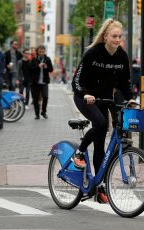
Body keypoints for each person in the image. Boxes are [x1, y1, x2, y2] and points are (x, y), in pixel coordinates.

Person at [72, 18, 135, 203]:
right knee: (100, 124)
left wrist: (131, 97)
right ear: (106, 36)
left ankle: (98, 187)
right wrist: (84, 93)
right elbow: (77, 80)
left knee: (102, 142)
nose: (117, 39)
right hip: (85, 98)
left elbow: (124, 83)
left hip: (105, 100)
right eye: (114, 36)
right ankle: (79, 152)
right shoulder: (93, 53)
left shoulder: (121, 56)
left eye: (119, 37)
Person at [30, 45, 53, 119]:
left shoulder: (47, 59)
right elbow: (31, 69)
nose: (41, 53)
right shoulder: (34, 59)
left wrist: (46, 67)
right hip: (35, 83)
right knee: (35, 99)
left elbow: (51, 69)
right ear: (37, 51)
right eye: (40, 51)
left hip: (44, 82)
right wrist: (38, 66)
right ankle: (37, 114)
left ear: (44, 51)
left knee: (45, 97)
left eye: (43, 51)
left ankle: (43, 112)